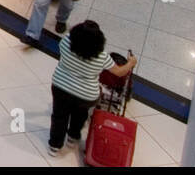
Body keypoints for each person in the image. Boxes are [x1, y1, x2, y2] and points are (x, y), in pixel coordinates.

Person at [47, 21, 136, 155]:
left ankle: (55, 146)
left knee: (59, 116)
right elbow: (119, 72)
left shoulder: (65, 42)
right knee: (80, 114)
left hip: (61, 87)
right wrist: (131, 62)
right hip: (86, 95)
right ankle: (72, 137)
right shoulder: (102, 57)